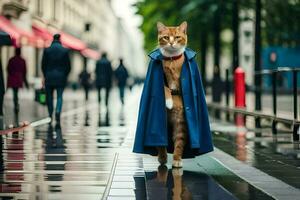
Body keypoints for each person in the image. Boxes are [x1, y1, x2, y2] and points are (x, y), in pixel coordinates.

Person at [42, 34, 71, 124]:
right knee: (59, 96)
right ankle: (58, 111)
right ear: (60, 39)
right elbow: (68, 66)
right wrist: (65, 75)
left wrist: (45, 74)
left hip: (49, 76)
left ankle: (50, 113)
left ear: (53, 39)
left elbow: (43, 65)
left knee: (49, 97)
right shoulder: (65, 50)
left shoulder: (47, 50)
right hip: (61, 77)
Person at [6, 48, 28, 113]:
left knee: (15, 92)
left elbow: (8, 69)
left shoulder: (11, 60)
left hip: (13, 78)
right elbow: (24, 71)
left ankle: (16, 104)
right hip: (19, 79)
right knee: (16, 92)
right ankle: (16, 104)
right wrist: (25, 81)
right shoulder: (22, 60)